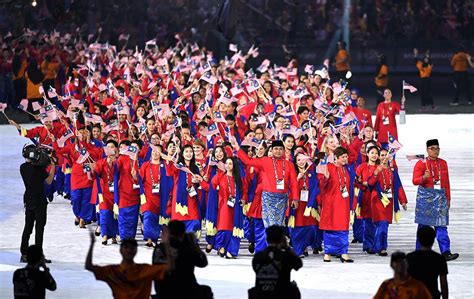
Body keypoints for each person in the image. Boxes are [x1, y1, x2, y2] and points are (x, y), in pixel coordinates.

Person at [85, 229, 172, 299]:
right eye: (126, 247)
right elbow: (170, 267)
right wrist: (166, 245)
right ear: (121, 250)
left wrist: (166, 245)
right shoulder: (144, 270)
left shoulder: (113, 272)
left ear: (136, 251)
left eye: (131, 248)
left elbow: (89, 266)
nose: (129, 250)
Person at [233, 139, 299, 228]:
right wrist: (237, 148)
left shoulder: (289, 164)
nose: (278, 151)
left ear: (284, 150)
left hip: (282, 198)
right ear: (271, 150)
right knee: (270, 224)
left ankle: (275, 241)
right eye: (276, 149)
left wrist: (295, 198)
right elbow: (248, 161)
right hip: (268, 197)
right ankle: (273, 241)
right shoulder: (265, 161)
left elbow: (294, 182)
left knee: (278, 224)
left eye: (280, 149)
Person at [412, 139, 459, 261]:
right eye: (432, 148)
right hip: (426, 198)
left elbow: (446, 182)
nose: (435, 151)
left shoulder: (443, 163)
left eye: (437, 148)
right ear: (427, 150)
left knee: (441, 226)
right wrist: (424, 177)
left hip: (440, 198)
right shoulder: (421, 163)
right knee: (423, 227)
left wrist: (448, 198)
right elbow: (415, 181)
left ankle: (446, 252)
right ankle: (420, 252)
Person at [152, 220, 213, 299]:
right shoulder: (187, 248)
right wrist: (194, 245)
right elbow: (203, 263)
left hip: (162, 291)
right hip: (185, 290)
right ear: (183, 234)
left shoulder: (159, 248)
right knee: (206, 291)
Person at [19, 145, 56, 263]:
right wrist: (53, 166)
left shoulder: (23, 168)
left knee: (28, 227)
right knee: (39, 229)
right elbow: (49, 181)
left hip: (28, 200)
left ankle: (24, 253)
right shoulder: (40, 169)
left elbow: (34, 164)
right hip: (40, 201)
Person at [249, 225, 302, 299]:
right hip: (281, 294)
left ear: (267, 239)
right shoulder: (286, 256)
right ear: (282, 239)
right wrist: (287, 248)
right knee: (293, 289)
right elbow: (298, 264)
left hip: (262, 294)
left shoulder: (258, 257)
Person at [407, 226, 448, 299]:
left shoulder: (409, 257)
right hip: (432, 295)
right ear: (433, 240)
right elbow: (443, 283)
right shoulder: (439, 259)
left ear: (418, 239)